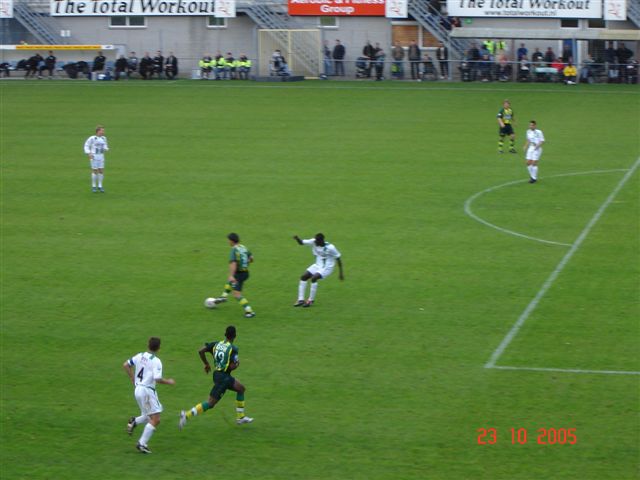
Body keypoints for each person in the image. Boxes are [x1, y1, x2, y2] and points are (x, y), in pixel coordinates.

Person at [178, 325, 253, 429]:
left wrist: (206, 364)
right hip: (223, 378)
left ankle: (240, 417)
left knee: (241, 388)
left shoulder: (216, 344)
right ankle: (186, 415)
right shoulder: (233, 349)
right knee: (210, 403)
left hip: (219, 375)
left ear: (225, 334)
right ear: (235, 336)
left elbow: (201, 351)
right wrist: (237, 364)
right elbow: (232, 366)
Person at [123, 337, 176, 454]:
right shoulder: (156, 361)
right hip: (147, 391)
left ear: (148, 345)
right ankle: (141, 444)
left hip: (137, 390)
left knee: (148, 416)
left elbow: (126, 365)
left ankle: (134, 421)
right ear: (159, 348)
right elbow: (157, 379)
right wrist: (169, 381)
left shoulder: (140, 355)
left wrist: (132, 378)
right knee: (156, 419)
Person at [293, 233, 344, 307]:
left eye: (317, 240)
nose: (315, 242)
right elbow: (301, 243)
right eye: (315, 240)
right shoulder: (314, 241)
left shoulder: (330, 248)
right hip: (317, 265)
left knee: (314, 278)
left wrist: (341, 273)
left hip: (327, 268)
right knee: (303, 277)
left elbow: (338, 258)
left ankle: (310, 300)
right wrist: (297, 238)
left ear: (321, 241)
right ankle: (301, 300)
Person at [212, 233, 256, 318]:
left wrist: (231, 275)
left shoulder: (234, 250)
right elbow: (252, 258)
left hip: (239, 274)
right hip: (245, 272)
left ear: (231, 241)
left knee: (236, 294)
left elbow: (233, 263)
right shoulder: (243, 247)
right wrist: (245, 263)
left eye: (228, 240)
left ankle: (249, 311)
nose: (228, 242)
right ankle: (223, 297)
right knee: (230, 281)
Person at [84, 125, 109, 193]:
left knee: (101, 170)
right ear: (98, 131)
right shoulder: (92, 138)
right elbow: (86, 145)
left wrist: (106, 148)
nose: (103, 132)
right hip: (94, 156)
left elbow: (105, 145)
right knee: (95, 171)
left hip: (101, 156)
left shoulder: (104, 138)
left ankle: (100, 186)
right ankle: (94, 186)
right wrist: (89, 153)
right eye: (102, 130)